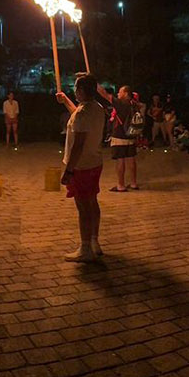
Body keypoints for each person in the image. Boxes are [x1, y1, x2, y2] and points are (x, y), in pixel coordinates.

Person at [56, 74, 106, 262]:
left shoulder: (82, 114)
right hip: (95, 163)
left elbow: (78, 145)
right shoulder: (97, 108)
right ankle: (94, 241)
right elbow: (78, 114)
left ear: (83, 91)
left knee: (83, 207)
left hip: (81, 166)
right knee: (92, 202)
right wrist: (65, 101)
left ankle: (85, 248)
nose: (74, 91)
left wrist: (69, 171)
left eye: (76, 88)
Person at [109, 86, 139, 191]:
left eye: (120, 92)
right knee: (131, 159)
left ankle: (120, 185)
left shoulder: (120, 104)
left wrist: (93, 82)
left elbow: (104, 94)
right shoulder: (134, 104)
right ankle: (133, 183)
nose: (117, 94)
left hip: (119, 136)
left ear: (126, 93)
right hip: (131, 134)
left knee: (120, 160)